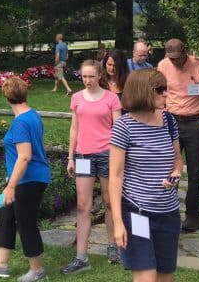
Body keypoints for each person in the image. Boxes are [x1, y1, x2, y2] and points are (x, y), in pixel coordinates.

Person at [109, 69, 183, 282]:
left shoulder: (169, 121)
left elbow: (177, 160)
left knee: (164, 277)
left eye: (166, 89)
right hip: (137, 212)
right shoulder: (124, 127)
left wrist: (175, 173)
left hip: (168, 213)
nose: (166, 94)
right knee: (147, 276)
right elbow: (115, 176)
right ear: (143, 91)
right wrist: (118, 222)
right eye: (160, 90)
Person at [0, 76, 50, 282]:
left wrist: (10, 186)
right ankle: (1, 264)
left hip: (29, 180)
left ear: (6, 97)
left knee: (25, 222)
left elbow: (25, 156)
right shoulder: (32, 115)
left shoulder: (20, 122)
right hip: (23, 178)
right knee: (6, 216)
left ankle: (37, 270)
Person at [61, 59, 122, 274]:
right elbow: (74, 128)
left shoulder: (112, 98)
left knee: (109, 202)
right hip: (84, 156)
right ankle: (81, 256)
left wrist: (118, 157)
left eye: (91, 76)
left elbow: (119, 129)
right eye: (84, 76)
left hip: (107, 155)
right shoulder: (77, 98)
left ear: (99, 76)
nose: (87, 80)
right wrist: (71, 157)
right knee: (83, 206)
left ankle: (113, 245)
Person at [156, 38, 199, 232]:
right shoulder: (163, 66)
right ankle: (167, 213)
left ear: (185, 51)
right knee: (167, 169)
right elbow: (157, 90)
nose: (174, 61)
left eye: (177, 57)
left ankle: (193, 216)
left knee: (194, 171)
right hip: (171, 120)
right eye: (171, 57)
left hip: (194, 123)